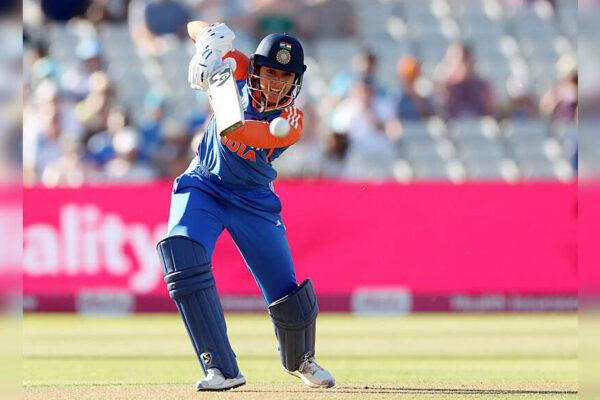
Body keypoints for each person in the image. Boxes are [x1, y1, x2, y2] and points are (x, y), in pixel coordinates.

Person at [155, 21, 335, 391]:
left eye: (285, 77)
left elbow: (239, 130)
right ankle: (221, 369)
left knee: (285, 291)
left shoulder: (292, 121)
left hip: (253, 202)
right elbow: (195, 27)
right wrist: (207, 46)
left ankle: (300, 359)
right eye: (270, 72)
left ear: (296, 81)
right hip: (204, 185)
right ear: (256, 68)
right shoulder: (238, 67)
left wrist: (215, 91)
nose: (275, 83)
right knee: (182, 253)